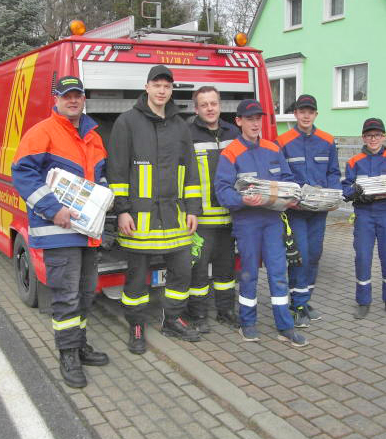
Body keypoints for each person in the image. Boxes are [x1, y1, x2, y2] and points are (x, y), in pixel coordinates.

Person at [11, 76, 109, 389]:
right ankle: (67, 354)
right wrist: (54, 209)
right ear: (56, 99)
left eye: (77, 95)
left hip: (87, 232)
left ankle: (79, 345)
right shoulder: (42, 132)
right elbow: (23, 175)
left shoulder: (92, 136)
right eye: (67, 96)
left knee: (84, 294)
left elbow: (99, 177)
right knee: (66, 297)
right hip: (59, 230)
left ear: (84, 99)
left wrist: (103, 198)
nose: (72, 100)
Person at [107, 65, 203, 354]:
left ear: (171, 90)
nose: (162, 90)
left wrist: (193, 208)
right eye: (157, 84)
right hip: (140, 218)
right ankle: (136, 326)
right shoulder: (127, 122)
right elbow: (117, 171)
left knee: (182, 271)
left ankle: (172, 319)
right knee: (136, 278)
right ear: (146, 87)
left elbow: (191, 171)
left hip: (175, 216)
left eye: (167, 86)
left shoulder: (180, 125)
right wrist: (122, 211)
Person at [215, 99, 307, 347]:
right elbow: (222, 192)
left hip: (273, 221)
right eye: (250, 119)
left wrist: (290, 198)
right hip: (247, 222)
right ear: (239, 121)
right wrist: (243, 199)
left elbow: (287, 179)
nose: (255, 123)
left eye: (258, 118)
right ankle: (248, 323)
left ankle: (285, 326)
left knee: (279, 274)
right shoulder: (231, 153)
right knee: (249, 274)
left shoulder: (273, 149)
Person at [277, 94, 342, 327]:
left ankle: (305, 300)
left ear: (316, 114)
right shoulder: (282, 141)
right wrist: (289, 198)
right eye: (302, 111)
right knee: (300, 255)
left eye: (310, 111)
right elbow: (280, 174)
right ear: (295, 114)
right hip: (295, 210)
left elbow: (333, 172)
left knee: (314, 254)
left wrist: (334, 194)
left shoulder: (326, 140)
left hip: (319, 210)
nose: (306, 115)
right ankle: (296, 304)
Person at [341, 118, 386, 319]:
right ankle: (363, 302)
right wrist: (355, 192)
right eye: (369, 135)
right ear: (363, 138)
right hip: (364, 215)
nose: (373, 139)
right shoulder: (354, 162)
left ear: (384, 136)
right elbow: (345, 190)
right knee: (363, 258)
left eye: (377, 135)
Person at [186, 86, 240, 332]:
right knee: (198, 270)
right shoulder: (187, 133)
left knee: (226, 268)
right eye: (204, 104)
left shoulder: (233, 132)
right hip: (201, 218)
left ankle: (225, 311)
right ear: (196, 109)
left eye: (214, 103)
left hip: (229, 215)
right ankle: (197, 315)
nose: (210, 108)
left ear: (220, 105)